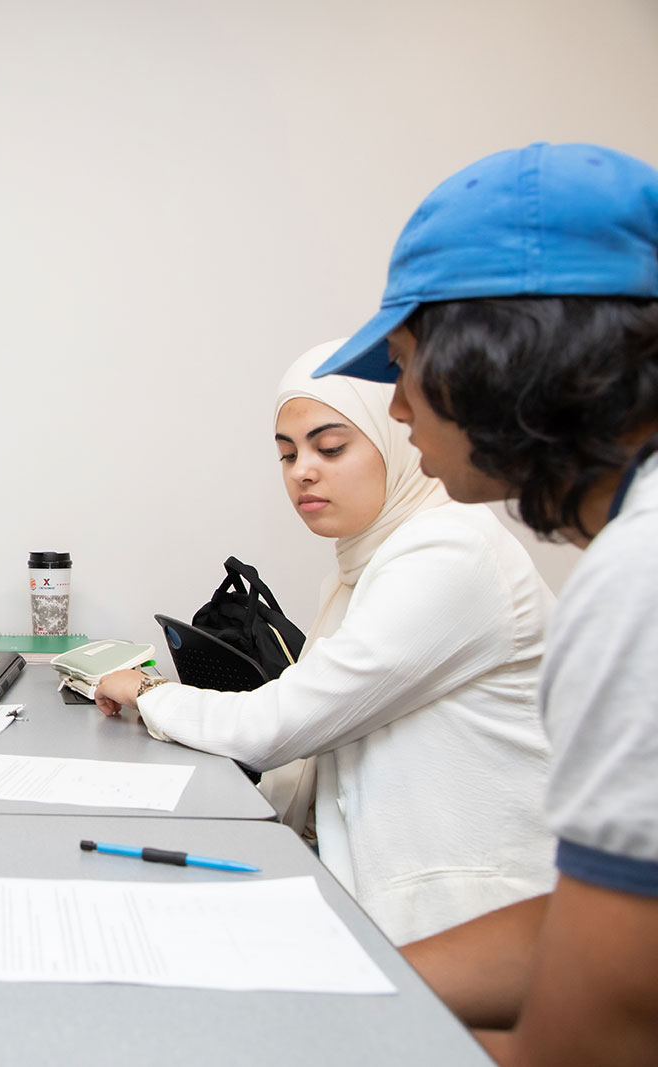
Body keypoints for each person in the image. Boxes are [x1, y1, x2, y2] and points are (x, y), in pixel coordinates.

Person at [312, 141, 658, 1064]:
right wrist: (336, 971)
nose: (397, 410)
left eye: (403, 365)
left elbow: (593, 1044)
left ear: (493, 356)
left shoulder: (639, 584)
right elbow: (610, 915)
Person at [94, 340, 556, 946]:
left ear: (401, 440)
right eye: (287, 455)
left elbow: (285, 723)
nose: (302, 470)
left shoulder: (450, 554)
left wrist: (149, 691)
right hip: (389, 896)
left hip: (471, 926)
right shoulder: (362, 567)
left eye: (330, 447)